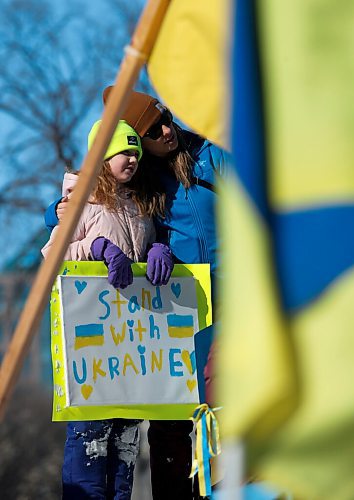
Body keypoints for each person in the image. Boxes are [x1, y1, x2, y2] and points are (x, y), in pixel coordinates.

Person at [45, 89, 228, 500]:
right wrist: (70, 222)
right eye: (150, 130)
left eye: (166, 118)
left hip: (210, 299)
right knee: (137, 430)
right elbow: (65, 235)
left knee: (200, 416)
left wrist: (158, 250)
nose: (166, 130)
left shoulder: (196, 162)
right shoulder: (121, 190)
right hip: (121, 338)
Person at [42, 119, 173, 500]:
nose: (132, 159)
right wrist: (95, 250)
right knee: (90, 446)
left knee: (125, 450)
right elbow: (52, 257)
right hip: (92, 351)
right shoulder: (82, 203)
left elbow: (142, 261)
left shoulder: (140, 205)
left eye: (135, 151)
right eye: (123, 151)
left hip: (131, 352)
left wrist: (158, 251)